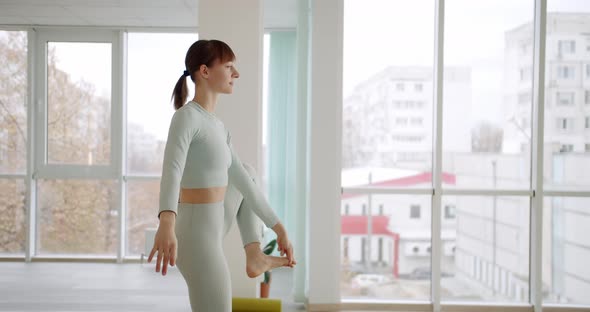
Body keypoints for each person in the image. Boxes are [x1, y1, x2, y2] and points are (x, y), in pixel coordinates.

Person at [147, 39, 296, 311]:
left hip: (215, 222)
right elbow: (171, 171)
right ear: (204, 71)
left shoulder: (217, 126)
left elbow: (244, 183)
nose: (235, 74)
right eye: (228, 67)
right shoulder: (186, 118)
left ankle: (254, 255)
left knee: (248, 172)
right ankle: (251, 255)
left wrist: (279, 227)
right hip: (195, 235)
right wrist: (166, 223)